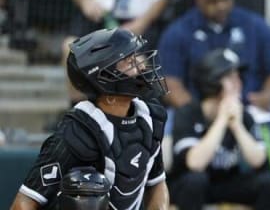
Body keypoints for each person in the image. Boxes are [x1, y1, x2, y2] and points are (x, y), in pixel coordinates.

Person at [11, 28, 169, 210]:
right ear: (106, 77)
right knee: (86, 190)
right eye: (128, 61)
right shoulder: (76, 133)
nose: (141, 66)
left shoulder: (150, 117)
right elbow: (23, 204)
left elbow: (157, 183)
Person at [158, 0, 270, 110]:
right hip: (198, 110)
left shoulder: (255, 26)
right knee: (166, 125)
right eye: (213, 1)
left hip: (248, 109)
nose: (220, 6)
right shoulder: (178, 32)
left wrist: (265, 98)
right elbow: (169, 82)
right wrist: (194, 112)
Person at [169, 48, 270, 210]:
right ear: (211, 81)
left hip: (226, 182)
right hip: (188, 185)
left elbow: (258, 161)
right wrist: (221, 120)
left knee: (268, 183)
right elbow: (195, 163)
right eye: (231, 78)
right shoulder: (188, 113)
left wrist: (237, 126)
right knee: (195, 181)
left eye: (238, 77)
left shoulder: (244, 116)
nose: (239, 83)